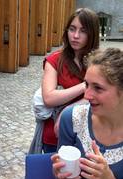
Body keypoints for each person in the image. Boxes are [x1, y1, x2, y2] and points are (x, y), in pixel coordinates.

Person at [51, 48, 123, 179]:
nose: (86, 95)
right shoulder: (72, 119)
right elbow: (61, 172)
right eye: (87, 84)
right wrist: (60, 175)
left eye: (98, 88)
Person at [40, 7, 100, 153]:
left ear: (92, 34)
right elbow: (49, 97)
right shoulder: (55, 60)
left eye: (83, 31)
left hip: (88, 134)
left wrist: (69, 109)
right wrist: (85, 86)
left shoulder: (99, 62)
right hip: (56, 133)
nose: (76, 35)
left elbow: (106, 95)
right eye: (72, 29)